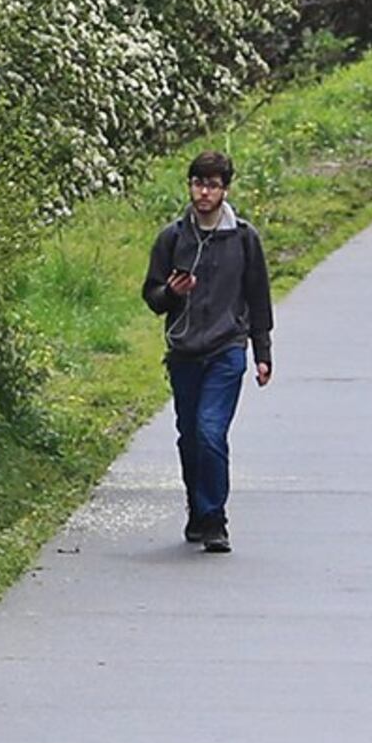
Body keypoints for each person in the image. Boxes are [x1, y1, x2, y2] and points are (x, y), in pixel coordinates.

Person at [140, 149, 276, 552]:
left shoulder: (244, 238)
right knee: (189, 436)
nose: (204, 193)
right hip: (183, 352)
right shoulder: (172, 238)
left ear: (225, 190)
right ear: (190, 186)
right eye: (198, 183)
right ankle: (198, 509)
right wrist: (172, 292)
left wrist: (262, 351)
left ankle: (215, 518)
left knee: (210, 430)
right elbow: (152, 296)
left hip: (227, 348)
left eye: (212, 185)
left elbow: (259, 297)